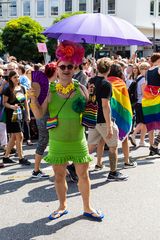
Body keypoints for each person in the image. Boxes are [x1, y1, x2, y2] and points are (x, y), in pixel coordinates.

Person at [29, 41, 104, 221]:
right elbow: (39, 114)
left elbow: (91, 110)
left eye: (70, 66)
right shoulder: (49, 91)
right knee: (59, 176)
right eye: (62, 66)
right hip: (57, 142)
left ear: (75, 67)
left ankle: (87, 207)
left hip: (78, 140)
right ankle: (62, 206)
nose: (66, 69)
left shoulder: (81, 88)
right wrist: (31, 99)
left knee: (83, 176)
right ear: (57, 67)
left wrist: (93, 99)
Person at [88, 58, 128, 181]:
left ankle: (73, 167)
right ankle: (113, 172)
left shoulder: (91, 81)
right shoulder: (106, 84)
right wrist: (109, 125)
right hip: (103, 120)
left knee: (90, 146)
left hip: (92, 117)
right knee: (113, 146)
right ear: (109, 69)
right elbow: (105, 105)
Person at [3, 71, 31, 165]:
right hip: (12, 115)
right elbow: (4, 103)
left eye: (18, 77)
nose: (17, 79)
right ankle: (21, 158)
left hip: (21, 114)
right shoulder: (8, 89)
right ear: (10, 78)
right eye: (15, 77)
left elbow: (25, 102)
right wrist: (12, 107)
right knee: (20, 136)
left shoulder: (22, 88)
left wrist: (28, 115)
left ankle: (6, 157)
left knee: (14, 137)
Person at [142, 53, 160, 155]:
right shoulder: (159, 68)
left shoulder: (148, 71)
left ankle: (152, 147)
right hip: (157, 99)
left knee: (151, 124)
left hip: (148, 100)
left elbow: (147, 84)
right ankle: (154, 146)